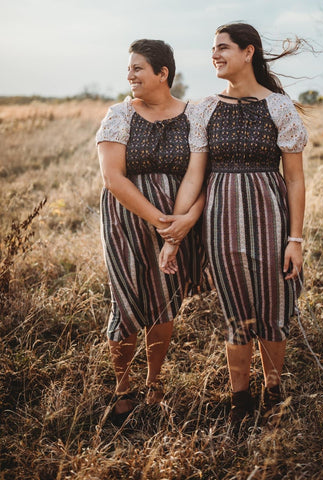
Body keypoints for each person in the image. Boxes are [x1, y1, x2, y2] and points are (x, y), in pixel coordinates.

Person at [159, 22, 308, 428]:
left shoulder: (278, 107)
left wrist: (295, 239)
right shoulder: (204, 108)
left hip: (270, 217)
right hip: (221, 220)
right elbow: (195, 175)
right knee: (236, 310)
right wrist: (176, 230)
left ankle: (274, 393)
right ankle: (239, 400)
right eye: (213, 49)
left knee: (273, 308)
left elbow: (294, 178)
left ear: (249, 52)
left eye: (223, 48)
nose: (215, 55)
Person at [96, 38, 206, 426]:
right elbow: (113, 178)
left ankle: (153, 381)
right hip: (127, 220)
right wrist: (163, 225)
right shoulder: (119, 114)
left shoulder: (196, 115)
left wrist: (187, 220)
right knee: (125, 301)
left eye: (138, 68)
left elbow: (205, 176)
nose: (130, 75)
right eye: (129, 68)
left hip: (179, 222)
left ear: (163, 73)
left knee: (164, 301)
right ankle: (122, 387)